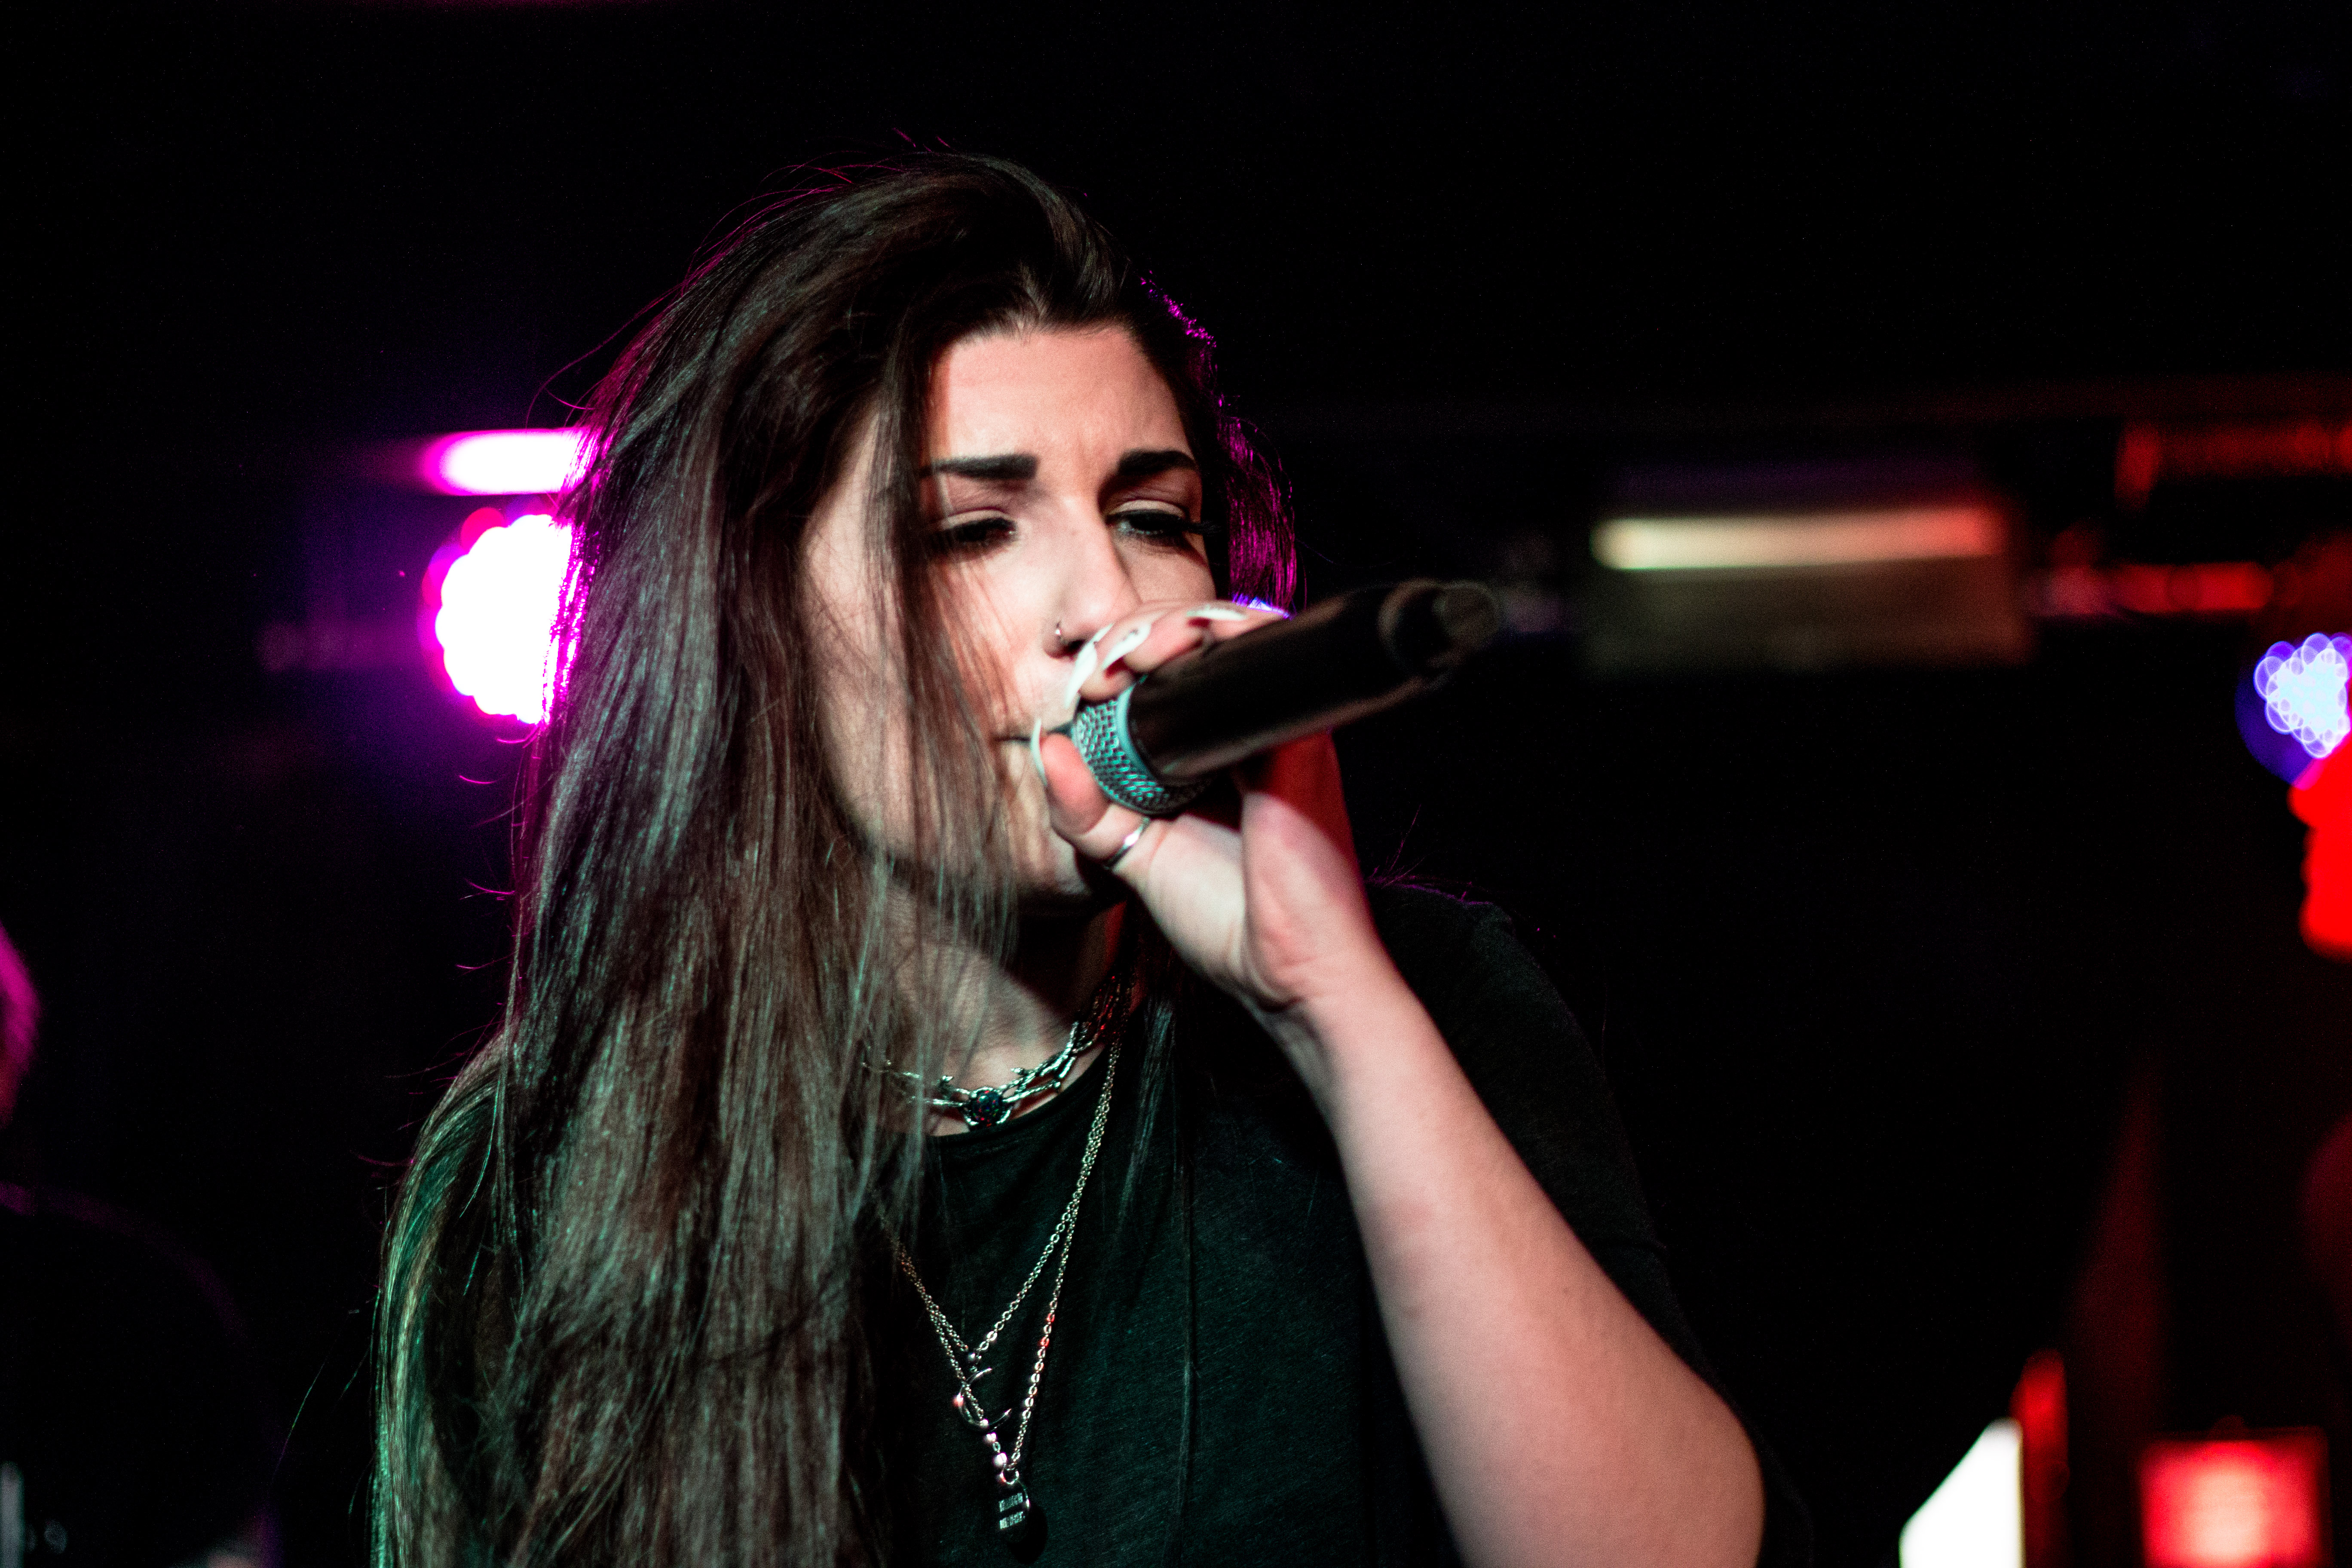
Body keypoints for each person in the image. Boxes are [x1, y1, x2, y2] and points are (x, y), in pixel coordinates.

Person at [375, 154, 1789, 1568]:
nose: (1106, 602)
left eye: (1154, 519)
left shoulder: (1422, 1007)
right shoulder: (548, 1168)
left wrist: (1335, 1010)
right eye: (973, 530)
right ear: (757, 634)